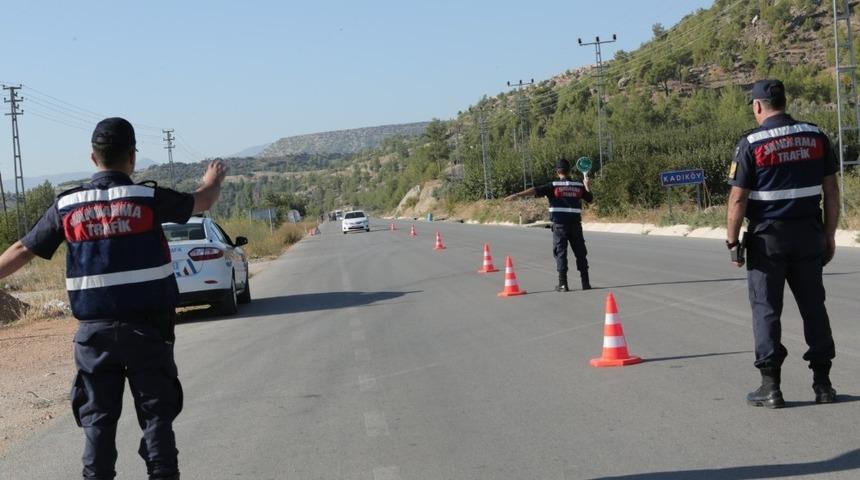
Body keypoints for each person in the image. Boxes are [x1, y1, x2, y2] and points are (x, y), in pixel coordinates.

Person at [0, 117, 227, 479]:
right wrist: (212, 179)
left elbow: (23, 250)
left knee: (98, 424)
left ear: (94, 158)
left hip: (95, 336)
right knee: (156, 418)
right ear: (132, 157)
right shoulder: (148, 198)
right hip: (149, 333)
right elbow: (202, 201)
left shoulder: (68, 205)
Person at [726, 79, 840, 409]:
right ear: (784, 102)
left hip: (768, 240)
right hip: (809, 235)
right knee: (814, 308)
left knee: (766, 309)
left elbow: (738, 199)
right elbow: (832, 191)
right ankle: (823, 384)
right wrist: (829, 234)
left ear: (757, 106)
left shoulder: (751, 143)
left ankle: (771, 387)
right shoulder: (816, 136)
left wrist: (732, 241)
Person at [504, 158, 594, 291]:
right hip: (575, 225)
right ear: (569, 171)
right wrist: (586, 185)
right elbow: (590, 199)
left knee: (561, 253)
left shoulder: (553, 185)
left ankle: (563, 284)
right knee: (580, 253)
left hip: (559, 226)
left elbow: (535, 190)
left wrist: (517, 195)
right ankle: (585, 283)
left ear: (557, 171)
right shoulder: (578, 186)